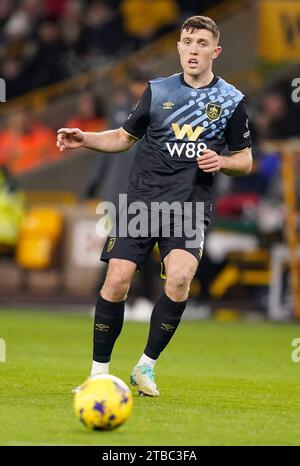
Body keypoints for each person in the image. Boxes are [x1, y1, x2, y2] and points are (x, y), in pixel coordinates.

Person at [57, 16, 252, 397]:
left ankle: (146, 366)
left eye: (200, 43)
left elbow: (245, 158)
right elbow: (122, 138)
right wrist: (85, 138)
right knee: (116, 282)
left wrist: (223, 162)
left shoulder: (231, 101)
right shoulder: (157, 91)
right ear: (178, 47)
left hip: (188, 205)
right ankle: (98, 374)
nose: (192, 49)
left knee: (179, 279)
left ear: (216, 51)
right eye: (186, 41)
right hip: (141, 201)